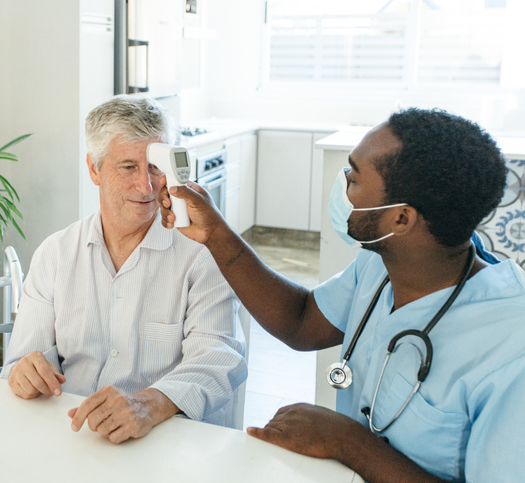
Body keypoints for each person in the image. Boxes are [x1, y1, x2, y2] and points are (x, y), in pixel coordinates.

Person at [159, 108, 525, 482]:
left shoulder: (511, 350)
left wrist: (349, 442)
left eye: (353, 178)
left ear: (400, 218)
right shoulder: (382, 264)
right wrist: (215, 233)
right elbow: (301, 321)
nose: (342, 185)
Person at [0, 95, 247, 444]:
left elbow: (218, 357)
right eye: (128, 167)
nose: (146, 187)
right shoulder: (55, 254)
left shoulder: (202, 254)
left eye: (155, 168)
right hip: (73, 436)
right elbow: (22, 362)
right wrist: (25, 373)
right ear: (94, 169)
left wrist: (149, 405)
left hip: (162, 441)